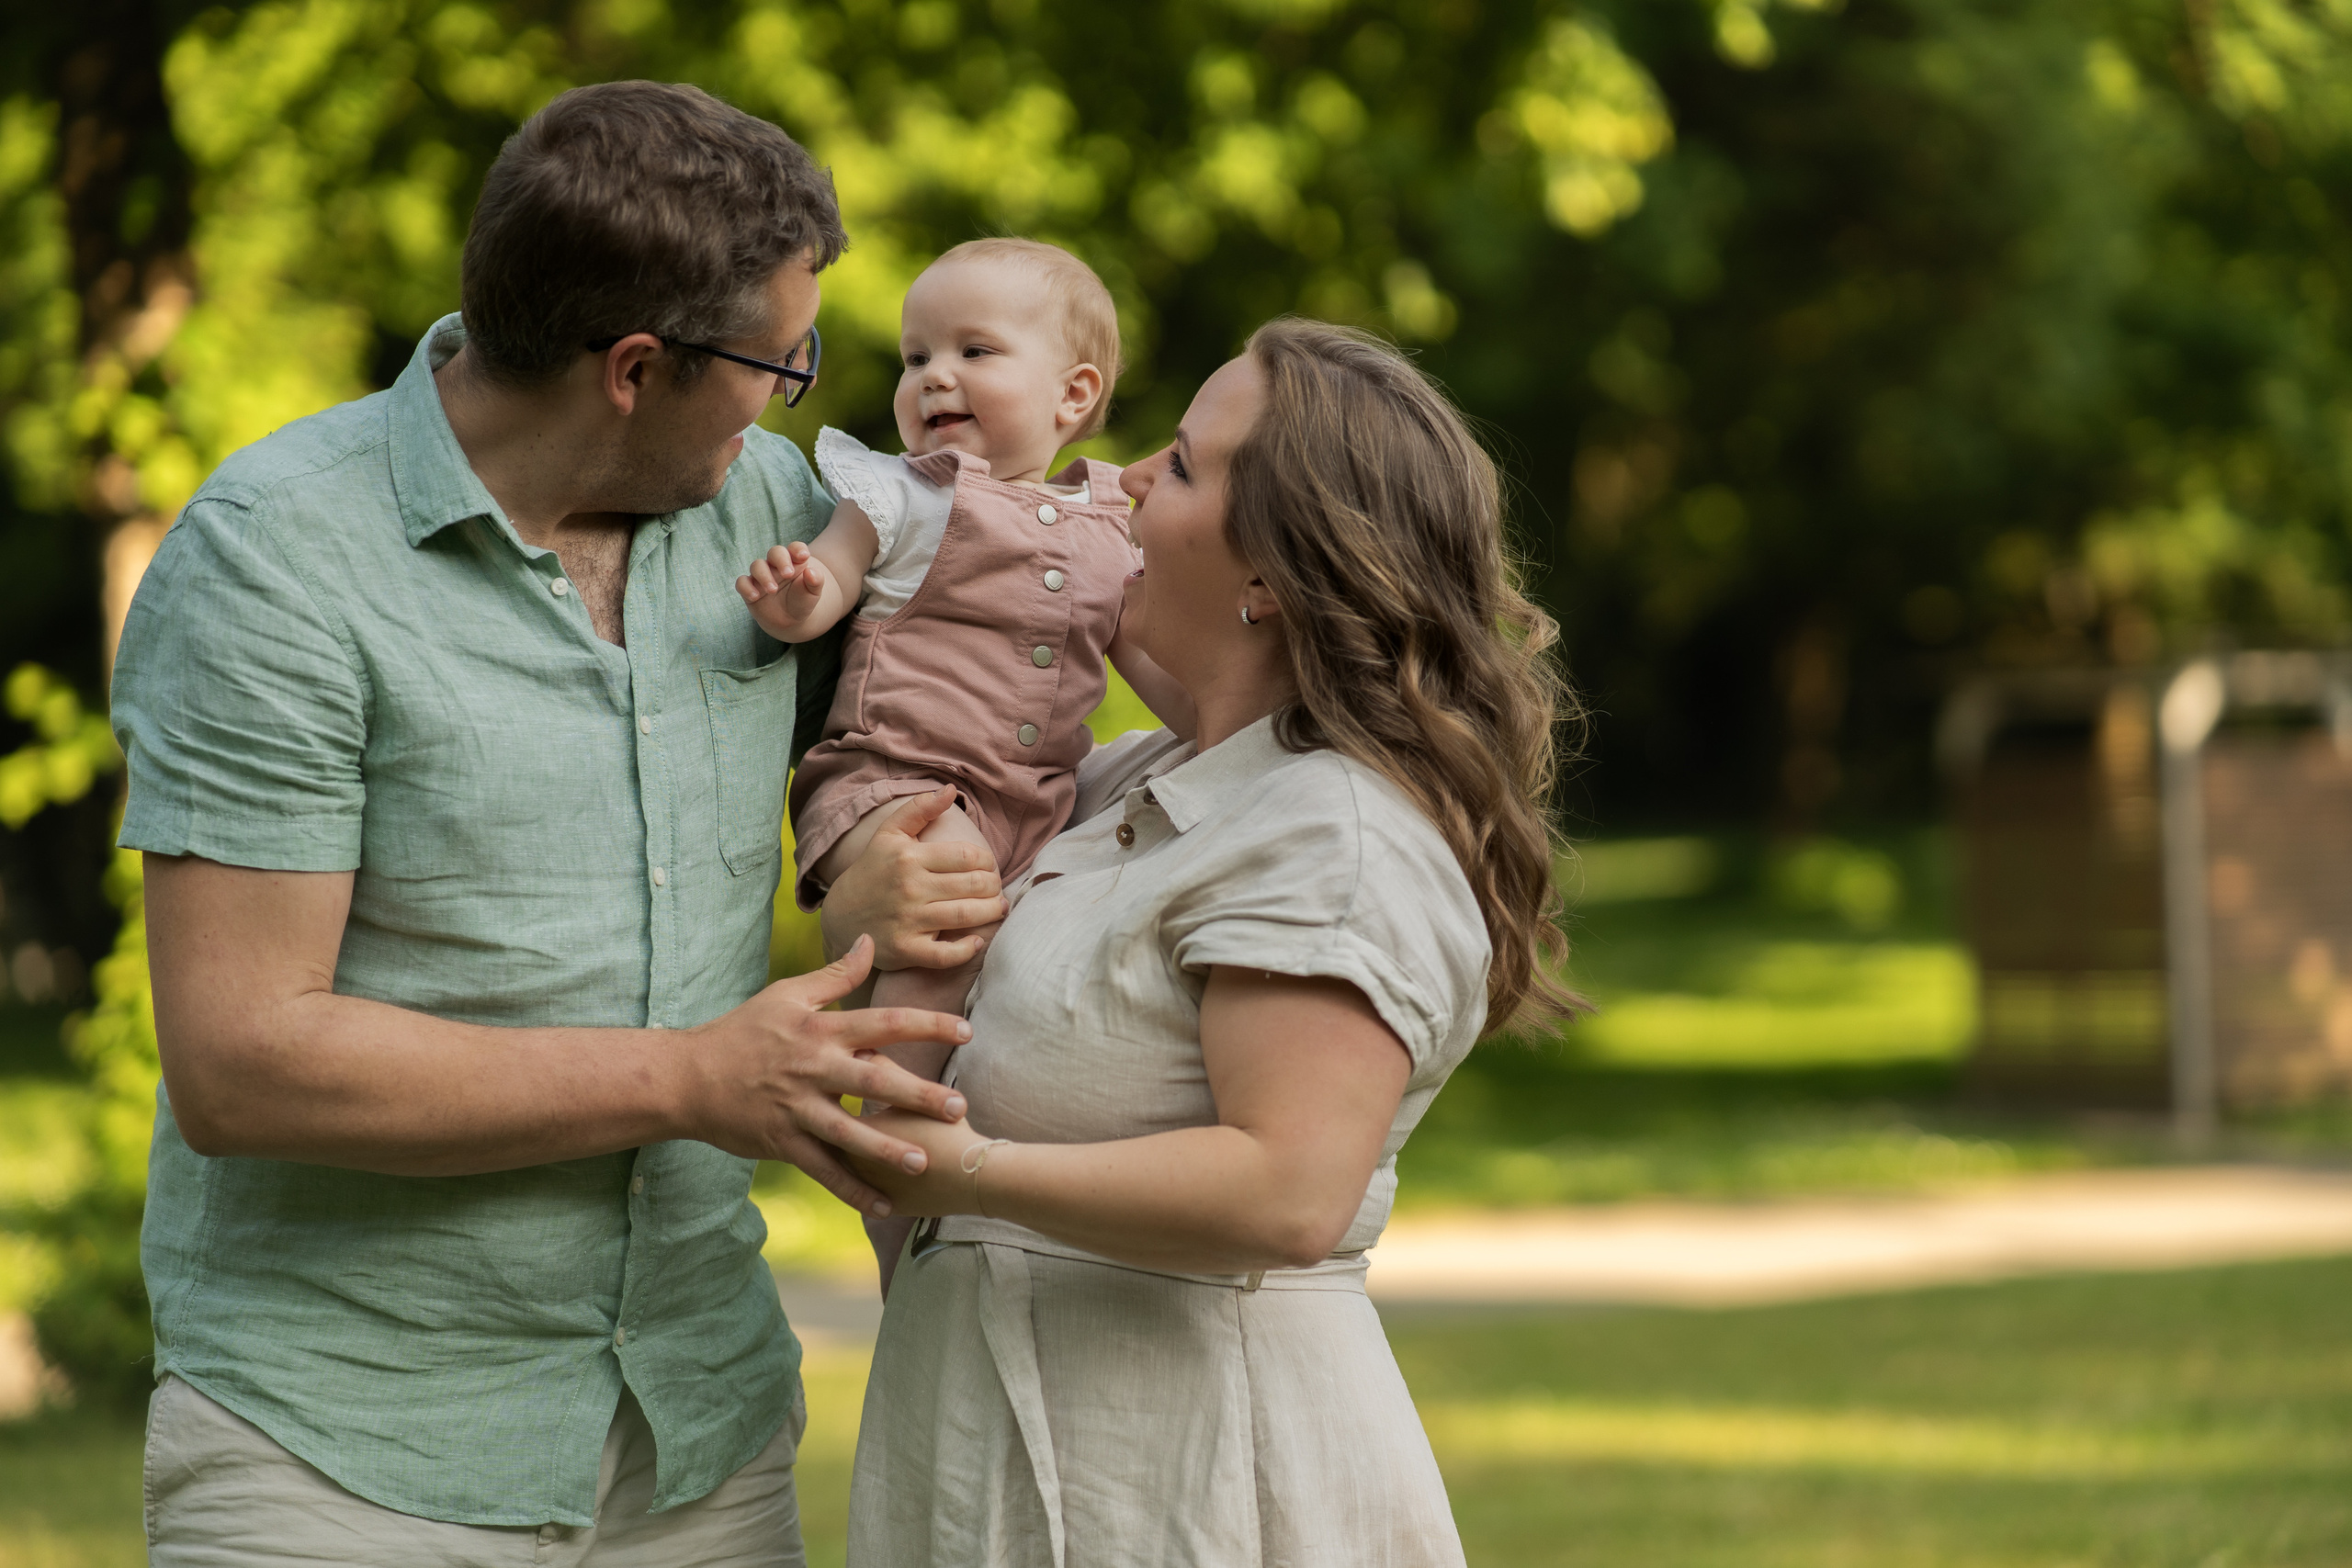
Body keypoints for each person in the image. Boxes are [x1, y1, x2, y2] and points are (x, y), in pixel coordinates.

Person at [109, 81, 986, 1564]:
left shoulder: (774, 515)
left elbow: (951, 717)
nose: (793, 396)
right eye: (778, 360)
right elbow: (244, 1062)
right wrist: (694, 1077)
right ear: (637, 367)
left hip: (703, 1440)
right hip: (343, 1455)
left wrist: (879, 866)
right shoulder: (276, 565)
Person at [834, 319, 1585, 1565]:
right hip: (999, 1462)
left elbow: (1289, 1186)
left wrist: (960, 1172)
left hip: (1204, 1484)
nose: (1121, 479)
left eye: (1180, 465)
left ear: (1274, 574)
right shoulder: (1139, 781)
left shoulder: (1330, 831)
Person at [733, 237, 1185, 1286]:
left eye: (974, 351)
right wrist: (797, 596)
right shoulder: (901, 494)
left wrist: (1224, 729)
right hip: (895, 781)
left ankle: (971, 1161)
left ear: (1074, 393)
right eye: (913, 355)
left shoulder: (1110, 528)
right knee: (944, 906)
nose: (932, 376)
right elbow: (831, 590)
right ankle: (895, 1146)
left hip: (1033, 800)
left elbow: (1151, 665)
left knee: (1025, 966)